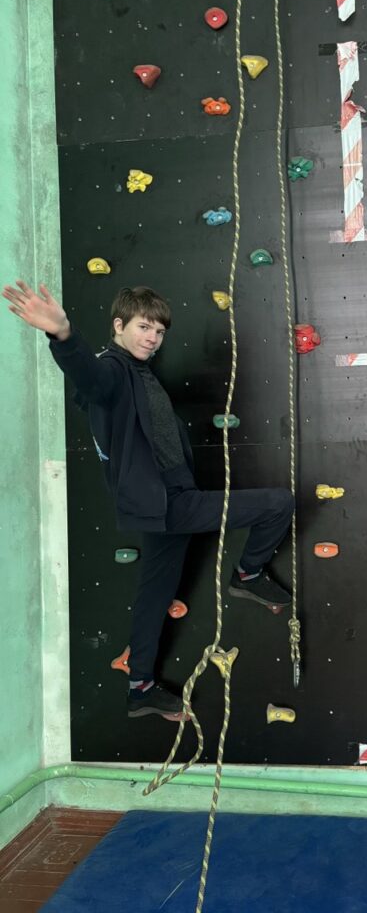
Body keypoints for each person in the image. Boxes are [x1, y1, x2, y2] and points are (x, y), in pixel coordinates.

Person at [3, 280, 294, 721]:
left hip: (163, 504)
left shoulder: (140, 372)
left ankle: (140, 687)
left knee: (155, 594)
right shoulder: (113, 369)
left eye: (159, 332)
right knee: (278, 503)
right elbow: (91, 379)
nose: (152, 338)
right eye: (143, 327)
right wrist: (62, 334)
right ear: (119, 326)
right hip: (169, 503)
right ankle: (248, 574)